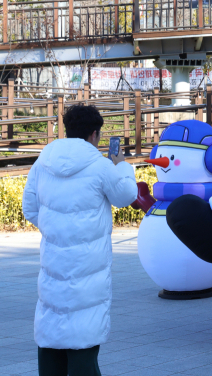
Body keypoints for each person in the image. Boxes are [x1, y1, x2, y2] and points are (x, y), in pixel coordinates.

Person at [22, 104, 138, 376]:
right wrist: (121, 164)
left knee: (51, 331)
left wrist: (56, 229)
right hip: (89, 267)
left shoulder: (44, 160)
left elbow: (30, 207)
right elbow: (126, 196)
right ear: (95, 134)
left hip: (53, 263)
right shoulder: (100, 166)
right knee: (83, 336)